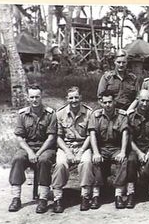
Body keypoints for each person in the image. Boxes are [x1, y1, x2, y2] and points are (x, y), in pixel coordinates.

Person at [51, 86, 101, 212]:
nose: (74, 100)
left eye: (76, 97)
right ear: (67, 99)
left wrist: (81, 151)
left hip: (83, 145)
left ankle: (85, 196)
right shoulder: (60, 113)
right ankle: (58, 198)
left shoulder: (89, 112)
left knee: (86, 162)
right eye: (71, 98)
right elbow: (58, 137)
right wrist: (67, 152)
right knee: (60, 164)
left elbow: (90, 135)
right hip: (65, 146)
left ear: (81, 98)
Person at [8, 85, 56, 213]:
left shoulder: (50, 114)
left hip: (45, 148)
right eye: (32, 97)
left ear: (41, 97)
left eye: (37, 97)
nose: (35, 100)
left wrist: (38, 153)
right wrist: (30, 152)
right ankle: (16, 198)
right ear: (28, 98)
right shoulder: (22, 114)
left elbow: (51, 138)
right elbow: (19, 137)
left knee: (44, 160)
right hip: (28, 147)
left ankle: (43, 199)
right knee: (18, 158)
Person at [88, 90, 130, 209]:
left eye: (110, 102)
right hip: (102, 147)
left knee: (123, 160)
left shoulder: (122, 115)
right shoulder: (96, 116)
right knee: (94, 160)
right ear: (101, 103)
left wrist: (122, 151)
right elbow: (92, 135)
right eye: (105, 102)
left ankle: (118, 195)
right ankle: (96, 195)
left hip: (116, 147)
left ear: (114, 102)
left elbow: (125, 134)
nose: (108, 105)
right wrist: (96, 152)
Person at [127, 89, 149, 209]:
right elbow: (129, 139)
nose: (145, 104)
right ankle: (130, 192)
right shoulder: (130, 116)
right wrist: (139, 152)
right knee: (131, 160)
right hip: (135, 147)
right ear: (138, 100)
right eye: (142, 100)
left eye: (147, 101)